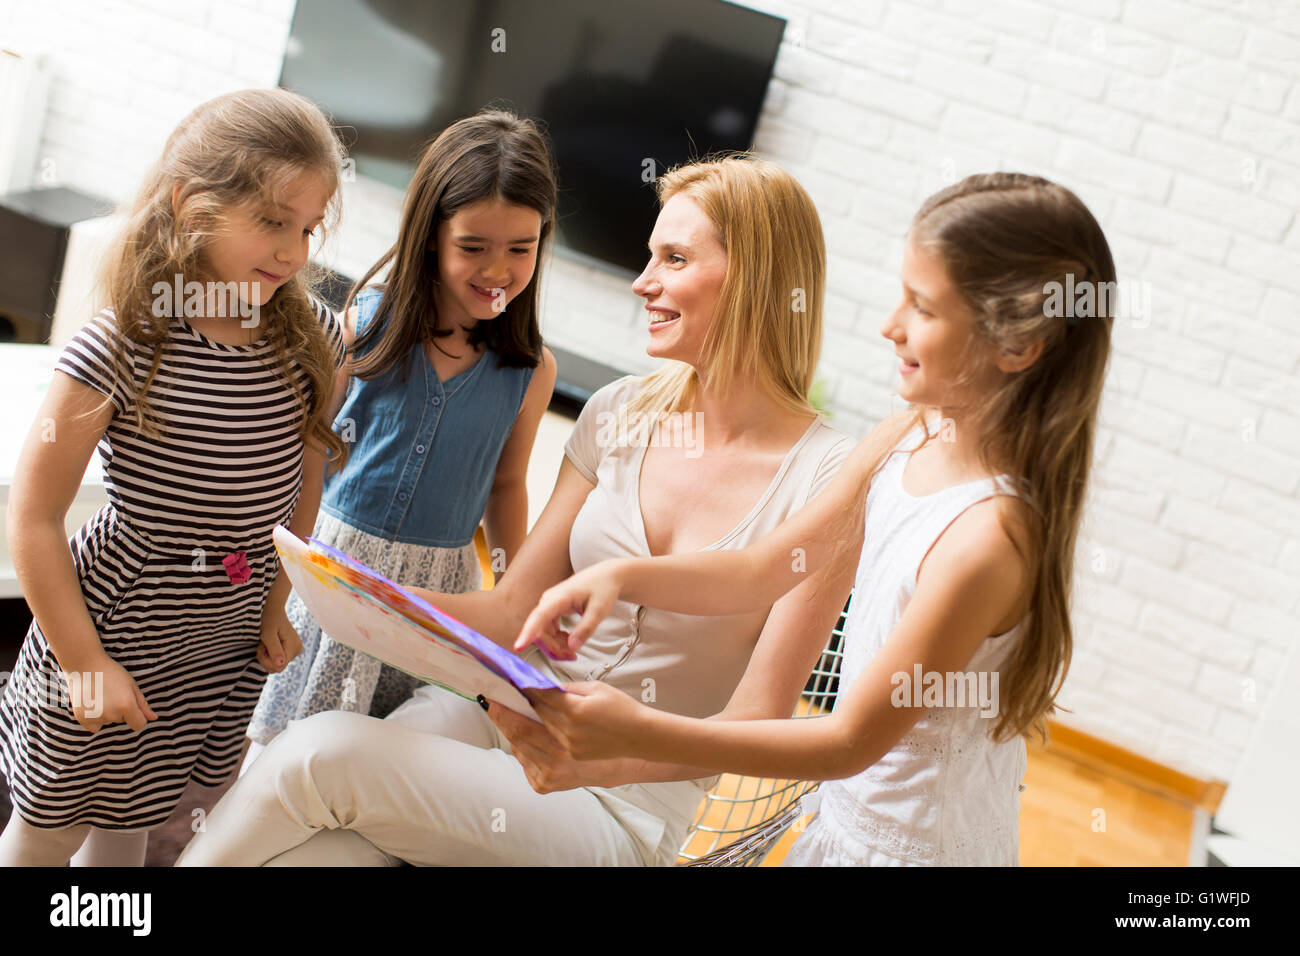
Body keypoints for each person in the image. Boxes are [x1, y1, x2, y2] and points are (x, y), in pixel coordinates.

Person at [175, 155, 855, 867]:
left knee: (321, 755)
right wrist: (361, 596)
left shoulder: (827, 477)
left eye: (675, 259)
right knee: (318, 854)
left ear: (756, 278)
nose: (642, 283)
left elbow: (759, 720)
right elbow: (513, 611)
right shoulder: (620, 410)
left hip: (622, 807)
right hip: (500, 719)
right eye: (650, 256)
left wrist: (605, 755)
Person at [514, 172, 1116, 867]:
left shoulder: (987, 541)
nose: (891, 325)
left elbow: (846, 743)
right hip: (840, 827)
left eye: (922, 307)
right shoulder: (906, 436)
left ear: (1015, 347)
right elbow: (762, 569)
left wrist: (640, 731)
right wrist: (621, 575)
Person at [0, 88, 350, 866]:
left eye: (307, 228)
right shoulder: (123, 344)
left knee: (134, 821)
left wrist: (275, 600)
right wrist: (85, 664)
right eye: (271, 221)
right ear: (190, 203)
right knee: (50, 829)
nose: (294, 252)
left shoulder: (315, 340)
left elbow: (306, 479)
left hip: (216, 639)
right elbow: (32, 517)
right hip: (112, 627)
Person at [242, 109, 558, 766]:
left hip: (439, 590)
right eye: (473, 247)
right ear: (431, 235)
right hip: (336, 567)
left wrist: (510, 599)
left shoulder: (530, 371)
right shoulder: (361, 327)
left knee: (383, 765)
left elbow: (506, 485)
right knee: (283, 755)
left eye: (520, 249)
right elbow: (309, 449)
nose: (497, 270)